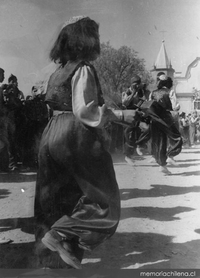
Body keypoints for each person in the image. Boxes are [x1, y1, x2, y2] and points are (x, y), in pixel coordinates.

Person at [34, 15, 141, 269]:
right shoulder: (82, 68)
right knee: (103, 196)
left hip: (51, 134)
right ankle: (60, 233)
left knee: (55, 196)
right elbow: (85, 111)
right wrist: (120, 116)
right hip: (74, 133)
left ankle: (58, 257)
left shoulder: (57, 72)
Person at [149, 75, 182, 174]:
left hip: (154, 118)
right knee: (177, 137)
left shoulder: (152, 93)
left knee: (160, 141)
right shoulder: (170, 92)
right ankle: (170, 155)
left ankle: (162, 166)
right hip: (166, 118)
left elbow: (149, 104)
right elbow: (175, 106)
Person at [122, 75, 150, 165]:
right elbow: (125, 103)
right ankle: (127, 156)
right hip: (128, 116)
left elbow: (144, 103)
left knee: (146, 128)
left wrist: (145, 92)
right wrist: (133, 93)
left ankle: (140, 145)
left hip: (138, 115)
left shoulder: (141, 92)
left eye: (138, 84)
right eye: (135, 84)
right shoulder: (126, 92)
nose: (137, 86)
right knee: (129, 135)